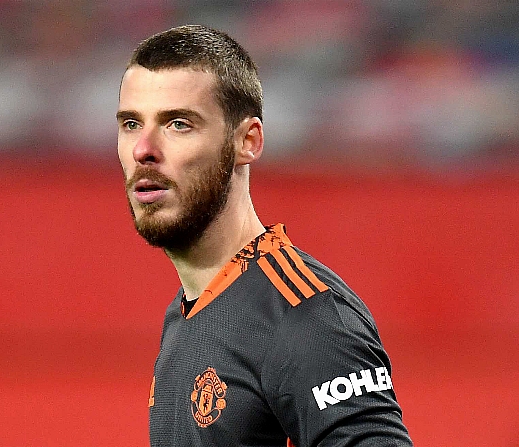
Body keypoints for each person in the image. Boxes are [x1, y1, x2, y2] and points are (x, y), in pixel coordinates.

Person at [116, 24, 413, 447]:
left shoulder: (304, 315)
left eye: (178, 124)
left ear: (247, 141)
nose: (143, 148)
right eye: (131, 123)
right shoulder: (186, 314)